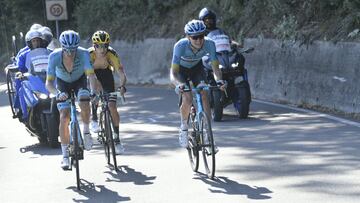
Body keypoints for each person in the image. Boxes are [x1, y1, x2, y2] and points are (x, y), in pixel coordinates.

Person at [45, 30, 97, 169]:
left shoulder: (84, 53)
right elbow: (49, 83)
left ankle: (86, 132)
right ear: (62, 48)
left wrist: (93, 92)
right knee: (64, 116)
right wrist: (57, 93)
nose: (71, 54)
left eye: (73, 50)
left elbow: (91, 76)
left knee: (84, 100)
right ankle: (65, 156)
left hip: (79, 80)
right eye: (67, 50)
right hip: (62, 83)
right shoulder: (54, 56)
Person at [170, 19, 225, 148]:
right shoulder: (180, 46)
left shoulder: (210, 44)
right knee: (188, 98)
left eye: (201, 36)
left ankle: (208, 134)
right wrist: (179, 85)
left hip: (197, 69)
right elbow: (174, 73)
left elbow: (215, 68)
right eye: (195, 37)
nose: (199, 40)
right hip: (181, 72)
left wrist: (219, 81)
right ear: (188, 37)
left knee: (205, 93)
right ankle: (184, 128)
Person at [88, 30, 127, 154]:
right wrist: (94, 92)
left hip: (106, 74)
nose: (102, 49)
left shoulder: (112, 54)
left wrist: (122, 86)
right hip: (92, 74)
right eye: (99, 46)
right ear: (94, 45)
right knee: (95, 92)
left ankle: (117, 139)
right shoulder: (88, 54)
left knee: (112, 106)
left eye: (105, 45)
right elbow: (90, 76)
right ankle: (94, 117)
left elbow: (120, 72)